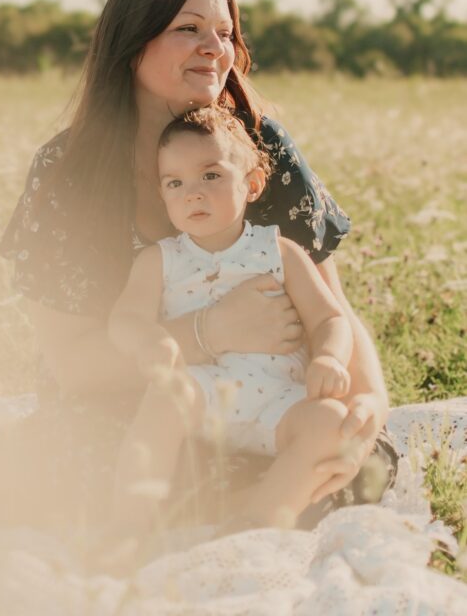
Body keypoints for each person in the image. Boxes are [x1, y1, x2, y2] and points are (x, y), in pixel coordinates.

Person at [0, 0, 395, 534]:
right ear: (132, 43)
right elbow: (76, 368)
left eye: (226, 33)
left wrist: (368, 403)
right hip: (127, 411)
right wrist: (211, 332)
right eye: (189, 29)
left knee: (359, 463)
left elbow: (332, 308)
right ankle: (180, 526)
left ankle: (238, 522)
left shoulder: (257, 146)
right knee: (82, 467)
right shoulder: (66, 174)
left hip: (269, 405)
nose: (215, 47)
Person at [108, 105, 356, 543]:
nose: (193, 194)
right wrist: (148, 341)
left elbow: (328, 317)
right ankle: (128, 528)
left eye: (211, 176)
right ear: (163, 194)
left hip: (279, 399)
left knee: (331, 422)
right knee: (165, 398)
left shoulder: (280, 252)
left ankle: (256, 524)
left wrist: (331, 358)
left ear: (253, 184)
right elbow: (125, 318)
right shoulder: (160, 259)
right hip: (200, 392)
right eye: (175, 183)